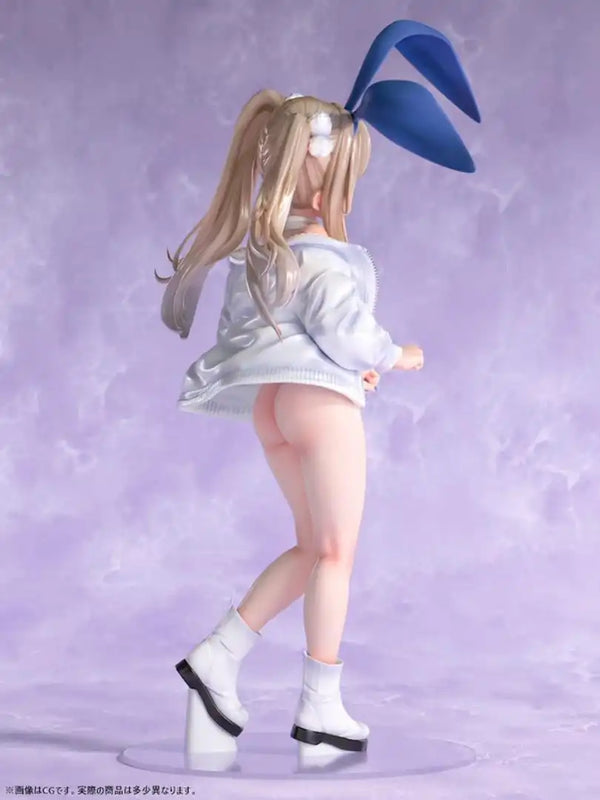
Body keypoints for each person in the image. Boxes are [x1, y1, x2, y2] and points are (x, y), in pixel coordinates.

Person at [156, 20, 480, 754]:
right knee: (336, 554)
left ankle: (219, 657)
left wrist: (341, 364)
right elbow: (341, 324)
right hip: (319, 407)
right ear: (329, 177)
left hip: (276, 406)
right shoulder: (325, 257)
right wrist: (394, 354)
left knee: (310, 546)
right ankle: (321, 705)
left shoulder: (268, 252)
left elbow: (279, 331)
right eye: (349, 174)